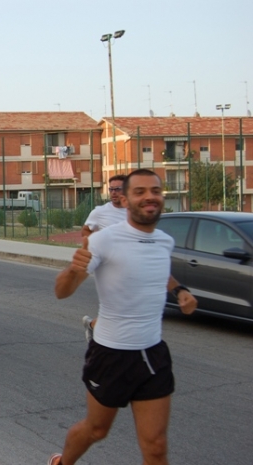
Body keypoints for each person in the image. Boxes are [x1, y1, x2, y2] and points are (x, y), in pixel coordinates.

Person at [49, 169, 197, 465]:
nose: (149, 197)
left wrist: (179, 290)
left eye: (154, 190)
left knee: (155, 445)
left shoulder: (164, 241)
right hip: (111, 355)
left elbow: (156, 268)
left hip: (153, 353)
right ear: (126, 200)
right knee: (97, 430)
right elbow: (62, 292)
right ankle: (62, 463)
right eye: (139, 191)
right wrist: (73, 269)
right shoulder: (104, 240)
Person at [80, 174, 127, 342]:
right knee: (118, 306)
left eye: (118, 189)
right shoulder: (100, 212)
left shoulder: (134, 211)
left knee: (123, 308)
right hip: (107, 267)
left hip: (129, 266)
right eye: (111, 189)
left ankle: (92, 325)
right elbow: (85, 231)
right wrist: (96, 240)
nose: (113, 192)